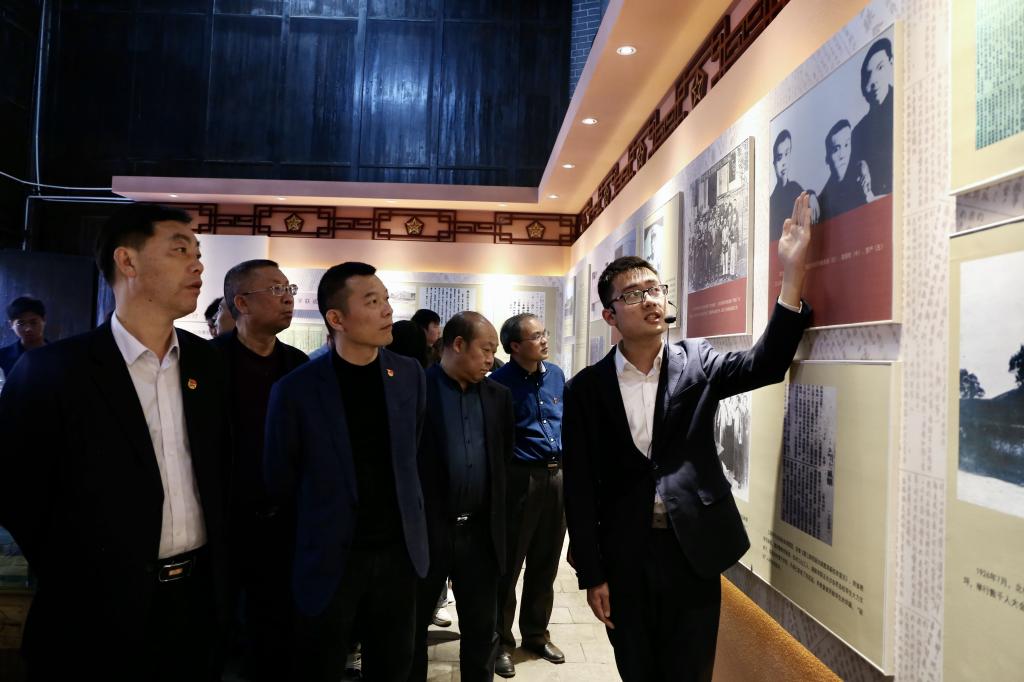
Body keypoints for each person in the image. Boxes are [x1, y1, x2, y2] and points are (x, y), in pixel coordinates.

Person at [562, 193, 814, 682]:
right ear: (610, 316)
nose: (650, 300)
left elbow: (765, 365)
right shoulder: (585, 390)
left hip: (692, 549)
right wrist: (592, 573)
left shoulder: (697, 361)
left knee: (691, 669)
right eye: (633, 295)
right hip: (625, 553)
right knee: (637, 668)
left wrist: (793, 272)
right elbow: (580, 487)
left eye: (655, 289)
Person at [0, 203, 231, 681]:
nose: (197, 265)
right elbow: (17, 491)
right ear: (127, 261)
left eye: (198, 253)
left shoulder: (209, 365)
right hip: (91, 610)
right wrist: (80, 567)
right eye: (180, 250)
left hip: (195, 605)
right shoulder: (54, 370)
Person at [264, 261, 428, 682]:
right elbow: (280, 479)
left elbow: (411, 454)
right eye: (372, 302)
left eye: (386, 299)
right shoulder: (296, 389)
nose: (387, 310)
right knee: (318, 665)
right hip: (330, 557)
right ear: (336, 319)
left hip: (397, 554)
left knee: (393, 666)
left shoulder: (408, 374)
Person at [212, 259, 308, 681]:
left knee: (274, 632)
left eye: (289, 289)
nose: (287, 298)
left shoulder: (298, 364)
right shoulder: (208, 363)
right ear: (242, 303)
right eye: (275, 290)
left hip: (282, 522)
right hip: (223, 521)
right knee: (217, 629)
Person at [410, 312, 514, 682]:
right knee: (412, 630)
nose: (490, 359)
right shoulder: (417, 390)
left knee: (481, 631)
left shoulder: (499, 397)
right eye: (485, 350)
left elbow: (503, 462)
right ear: (457, 344)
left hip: (480, 534)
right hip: (428, 533)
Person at [491, 314, 567, 678]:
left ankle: (536, 634)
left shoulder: (556, 375)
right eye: (536, 336)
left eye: (544, 333)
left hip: (556, 477)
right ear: (515, 346)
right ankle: (500, 643)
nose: (544, 340)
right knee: (508, 567)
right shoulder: (498, 384)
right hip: (519, 479)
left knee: (546, 562)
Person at [852, 38, 894, 198]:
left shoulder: (906, 105)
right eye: (868, 75)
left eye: (880, 68)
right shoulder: (858, 132)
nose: (873, 81)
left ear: (891, 64)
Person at [817, 120, 874, 222]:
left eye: (847, 145)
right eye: (836, 149)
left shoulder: (862, 175)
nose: (843, 155)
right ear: (827, 159)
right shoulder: (822, 200)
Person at [768, 130, 806, 242]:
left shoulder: (796, 188)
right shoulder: (772, 201)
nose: (784, 162)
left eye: (787, 154)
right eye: (779, 157)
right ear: (774, 164)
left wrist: (812, 195)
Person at [0, 296, 48, 376]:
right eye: (21, 323)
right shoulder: (2, 357)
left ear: (44, 320)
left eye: (33, 322)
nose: (28, 329)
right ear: (11, 324)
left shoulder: (59, 355)